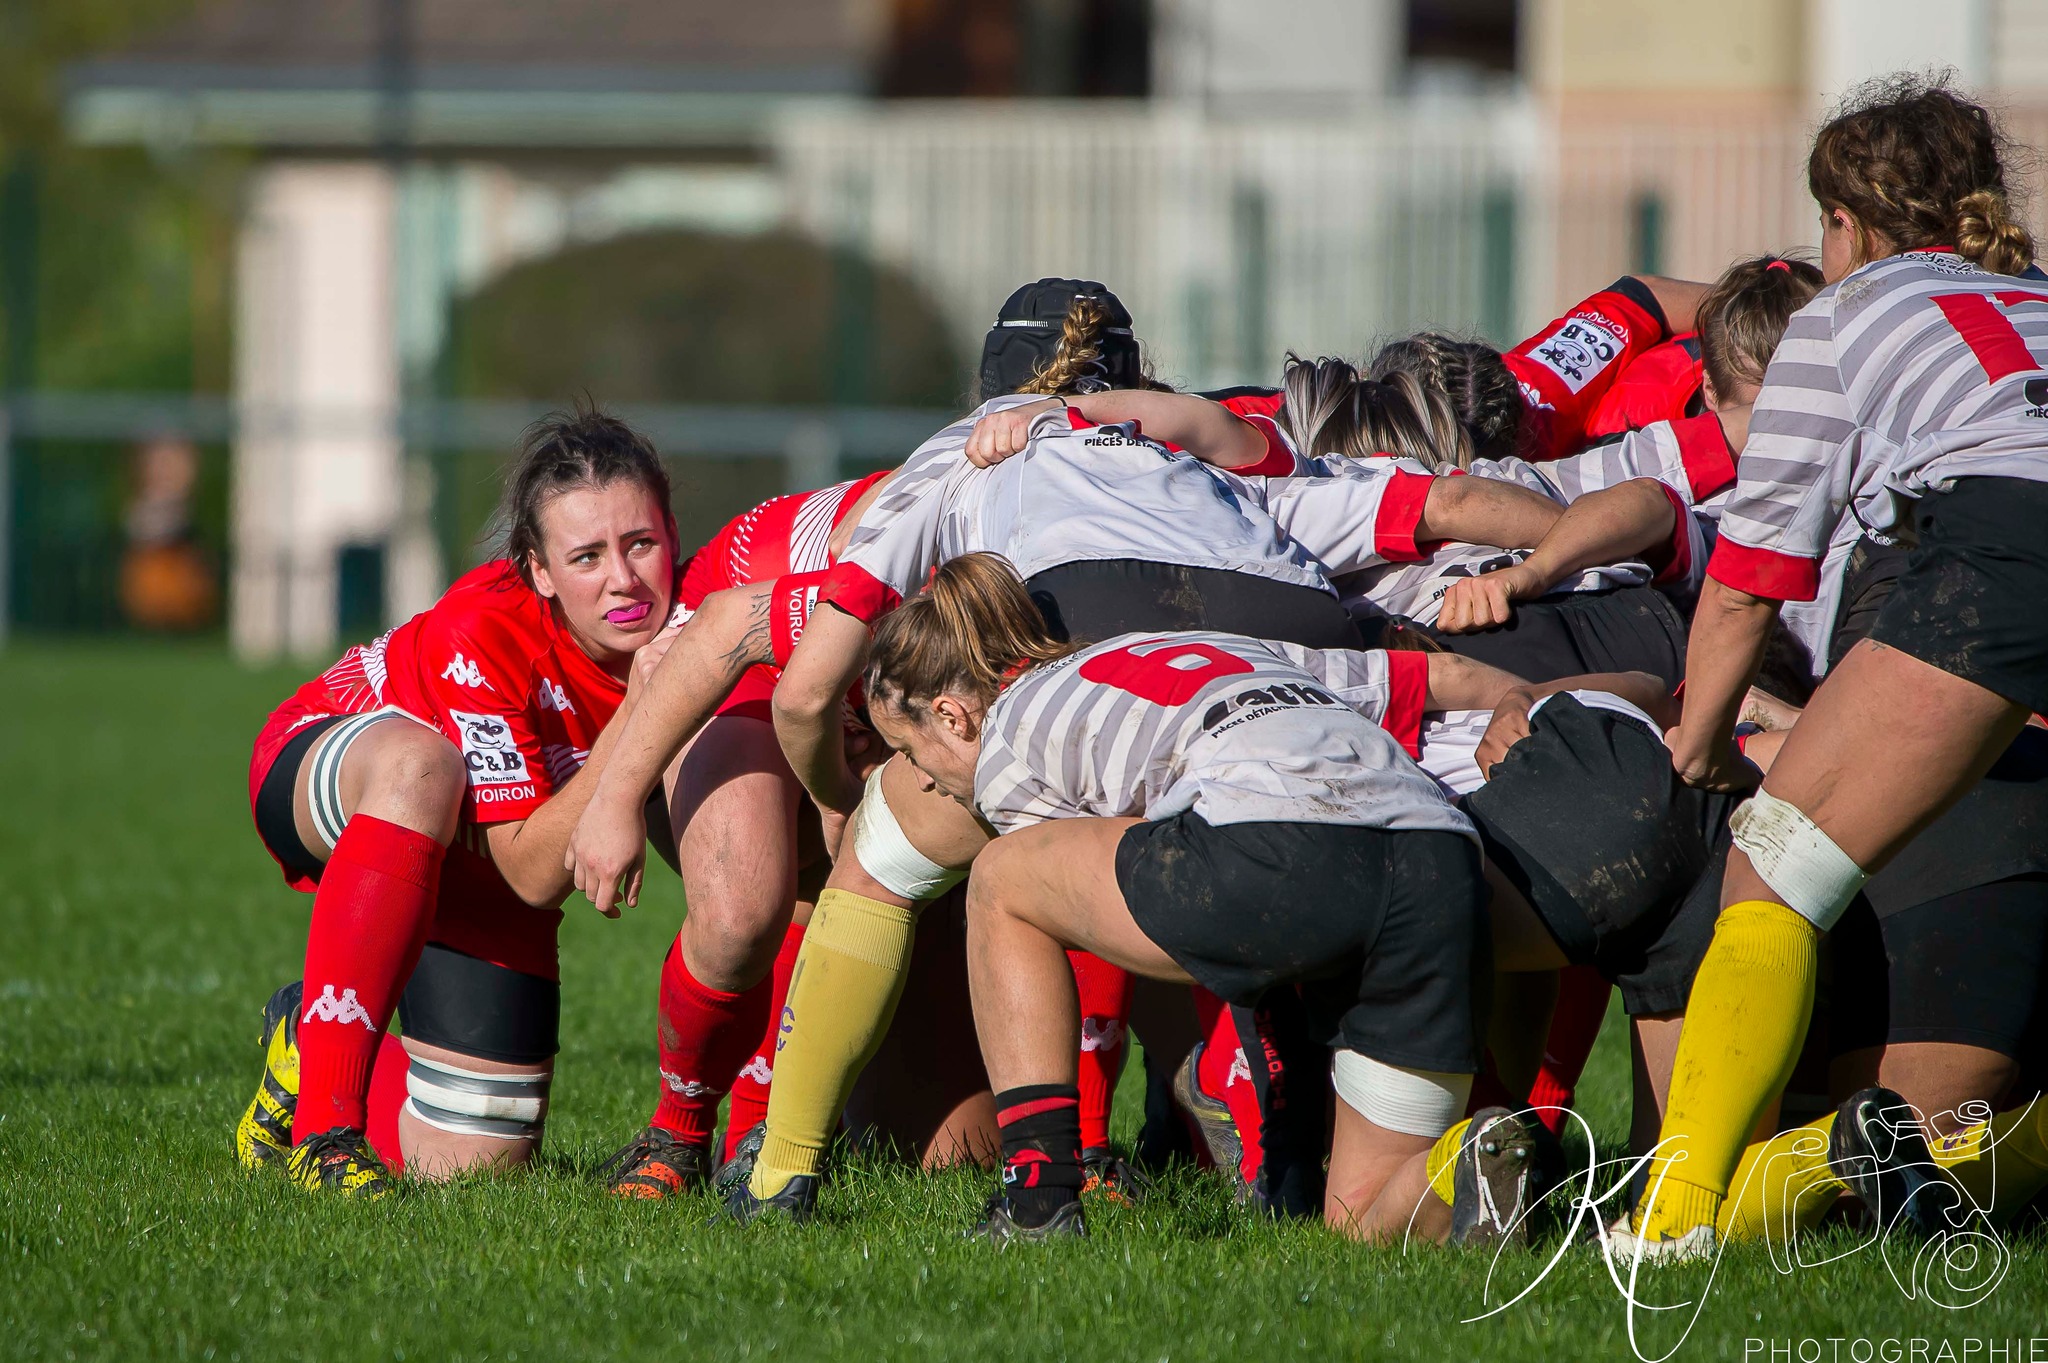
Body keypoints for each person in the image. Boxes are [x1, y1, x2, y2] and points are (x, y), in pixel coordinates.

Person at [1619, 73, 2048, 1262]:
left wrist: (1701, 738)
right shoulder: (2035, 299)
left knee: (1772, 872)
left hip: (1993, 557)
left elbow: (1750, 569)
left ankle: (1670, 1231)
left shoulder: (1841, 314)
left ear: (1845, 224)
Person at [850, 553, 1542, 1244]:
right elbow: (1417, 681)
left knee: (1002, 878)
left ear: (952, 716)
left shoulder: (1004, 743)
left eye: (910, 752)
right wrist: (1526, 702)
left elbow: (1086, 910)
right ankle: (1471, 1163)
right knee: (1361, 1222)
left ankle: (1037, 1200)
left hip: (1276, 844)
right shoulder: (1225, 645)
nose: (928, 782)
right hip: (1440, 859)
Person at [232, 406, 684, 1197]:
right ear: (538, 570)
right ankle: (324, 1135)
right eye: (586, 555)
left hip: (492, 848)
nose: (623, 578)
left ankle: (307, 1034)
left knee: (472, 1169)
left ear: (671, 532)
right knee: (422, 763)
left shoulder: (698, 616)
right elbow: (536, 874)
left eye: (639, 543)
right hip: (342, 772)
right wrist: (642, 717)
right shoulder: (483, 630)